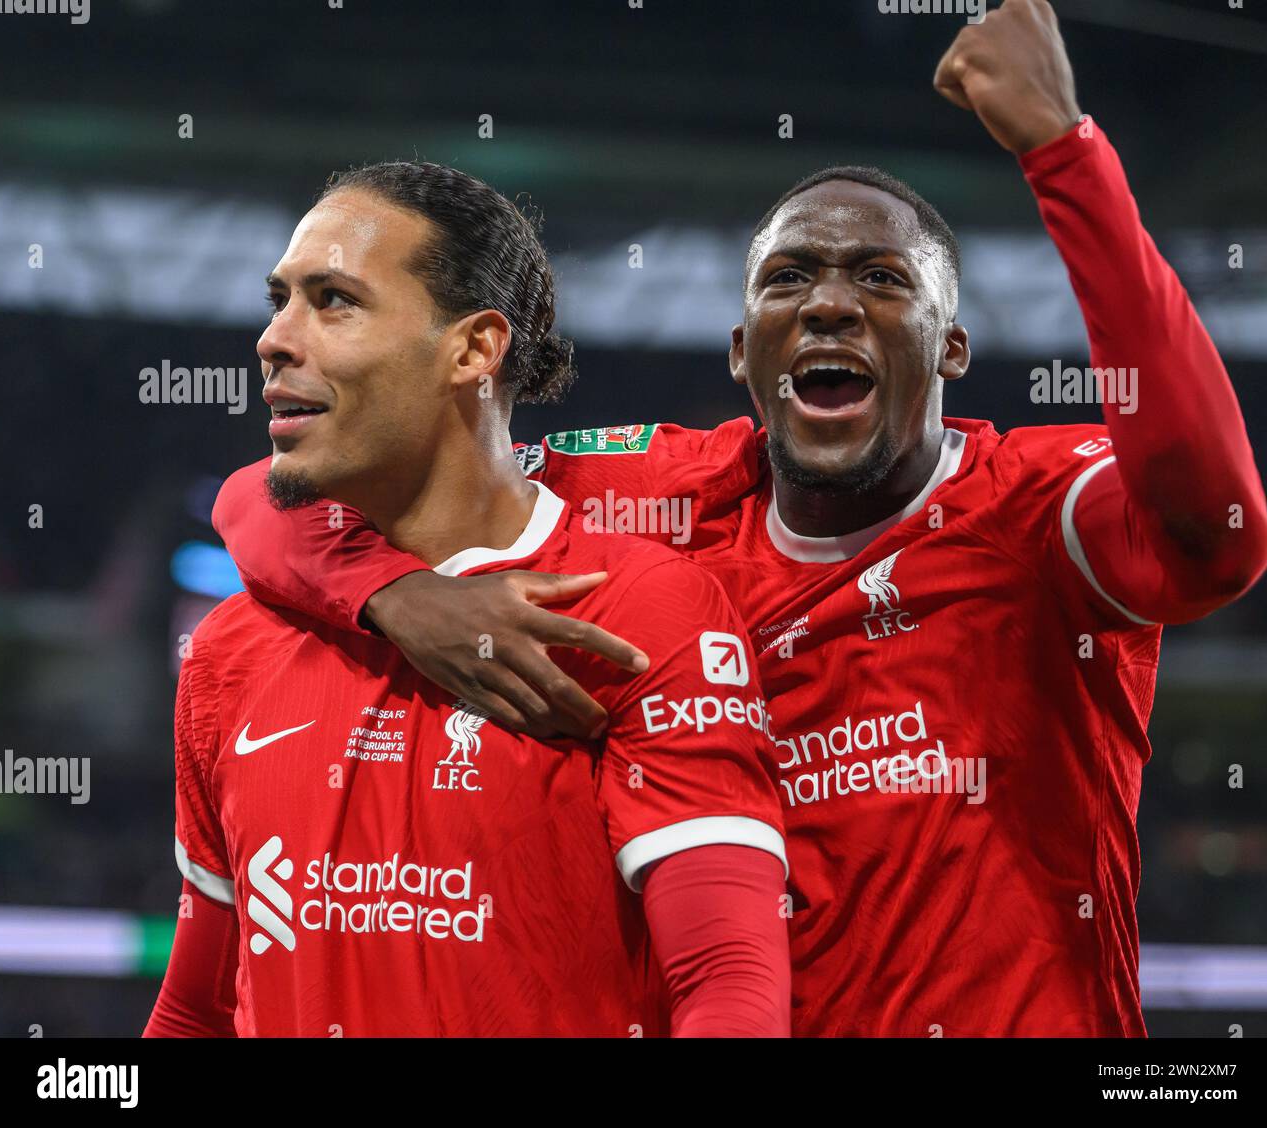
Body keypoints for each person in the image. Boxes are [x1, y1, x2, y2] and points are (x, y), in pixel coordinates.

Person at [210, 0, 1267, 1035]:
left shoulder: (1039, 508)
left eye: (882, 279)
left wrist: (1063, 153)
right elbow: (271, 493)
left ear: (952, 350)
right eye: (789, 279)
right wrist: (395, 594)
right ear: (741, 353)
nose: (828, 304)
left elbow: (1219, 528)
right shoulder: (652, 492)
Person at [145, 160, 791, 1037]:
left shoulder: (635, 610)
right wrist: (399, 594)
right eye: (279, 300)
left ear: (475, 349)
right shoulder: (230, 647)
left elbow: (729, 988)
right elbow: (192, 1013)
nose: (274, 338)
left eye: (333, 300)